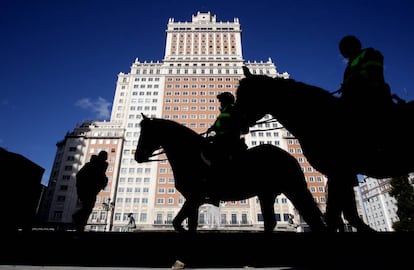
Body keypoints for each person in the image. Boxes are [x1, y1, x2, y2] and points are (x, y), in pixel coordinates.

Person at [205, 92, 249, 166]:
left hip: (228, 142)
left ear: (226, 101)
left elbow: (242, 127)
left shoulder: (233, 109)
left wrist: (216, 135)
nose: (220, 103)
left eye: (221, 101)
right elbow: (219, 125)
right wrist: (212, 128)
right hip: (221, 140)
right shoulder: (224, 111)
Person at [72, 150, 109, 233]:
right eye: (105, 156)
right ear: (101, 156)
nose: (106, 158)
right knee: (87, 207)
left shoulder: (101, 167)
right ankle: (78, 221)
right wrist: (81, 187)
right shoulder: (90, 166)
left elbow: (102, 178)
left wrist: (103, 182)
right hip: (86, 190)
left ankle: (80, 224)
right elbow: (79, 175)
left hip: (92, 191)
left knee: (88, 208)